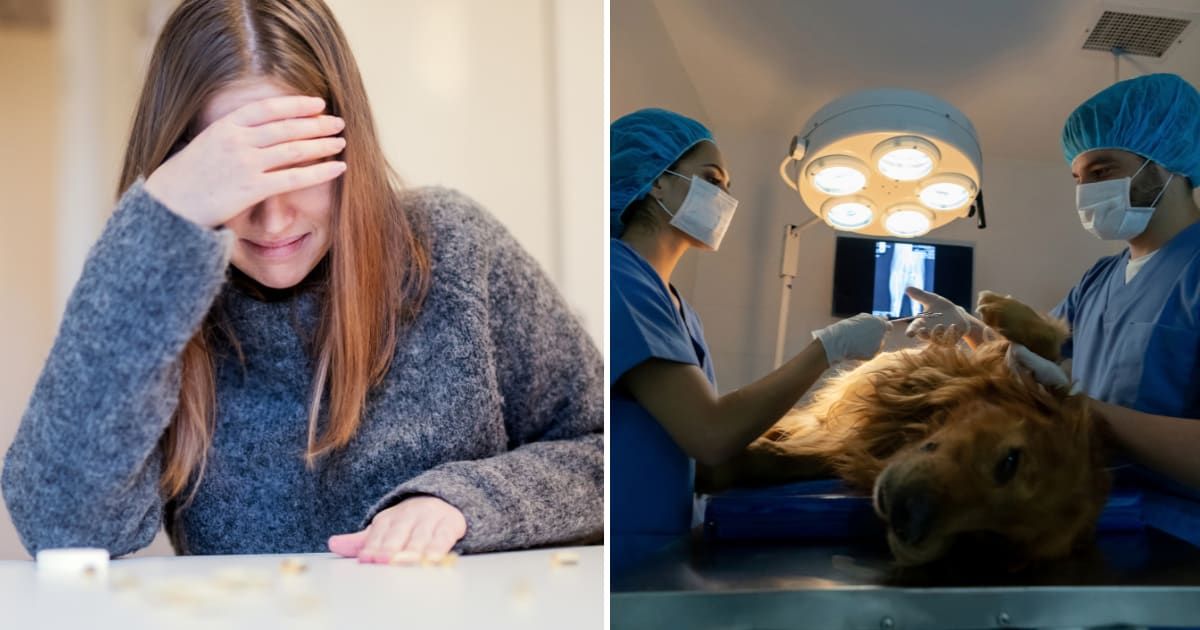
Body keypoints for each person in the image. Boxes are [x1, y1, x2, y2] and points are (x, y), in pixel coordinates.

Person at [1, 0, 602, 562]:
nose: (274, 218)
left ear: (349, 147)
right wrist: (158, 225)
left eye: (297, 166)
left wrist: (465, 502)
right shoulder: (160, 284)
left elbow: (607, 452)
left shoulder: (451, 247)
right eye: (237, 176)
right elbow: (63, 530)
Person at [610, 108, 893, 567]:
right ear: (656, 182)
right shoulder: (618, 275)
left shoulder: (679, 308)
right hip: (618, 550)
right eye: (712, 180)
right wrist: (829, 347)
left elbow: (709, 462)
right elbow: (711, 433)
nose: (724, 198)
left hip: (659, 543)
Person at [906, 73, 1200, 489]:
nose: (1086, 193)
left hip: (1182, 531)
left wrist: (1080, 409)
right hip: (1091, 509)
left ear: (1167, 164)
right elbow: (1034, 364)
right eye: (1079, 179)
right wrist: (971, 329)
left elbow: (1064, 395)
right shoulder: (1100, 279)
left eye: (1102, 171)